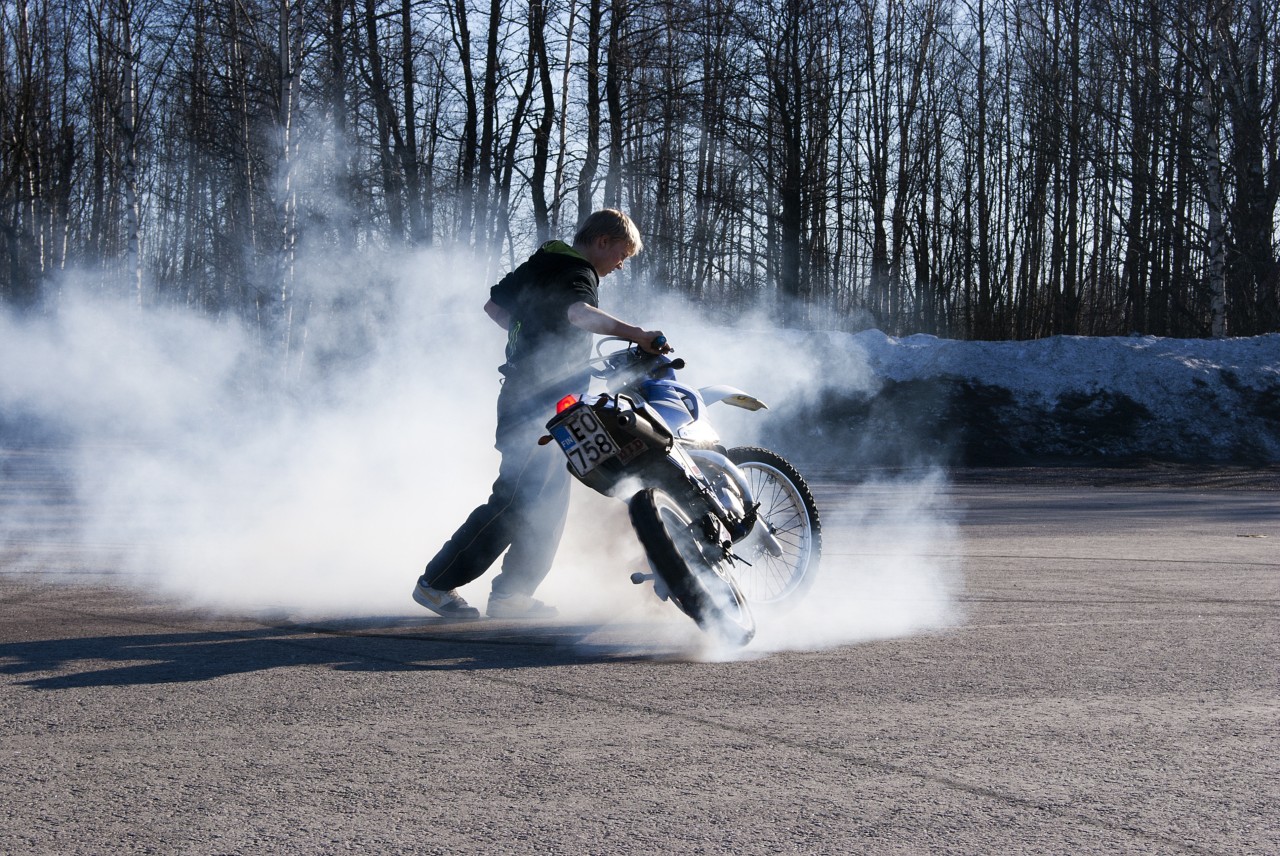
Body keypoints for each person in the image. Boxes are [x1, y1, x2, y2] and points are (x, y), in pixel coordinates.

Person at [413, 209, 671, 619]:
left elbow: (494, 306)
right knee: (516, 499)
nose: (621, 265)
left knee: (548, 502)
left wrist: (534, 339)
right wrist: (638, 334)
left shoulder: (544, 262)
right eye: (622, 254)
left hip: (548, 401)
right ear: (602, 241)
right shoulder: (577, 271)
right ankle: (436, 583)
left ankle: (513, 595)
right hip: (535, 402)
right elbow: (578, 313)